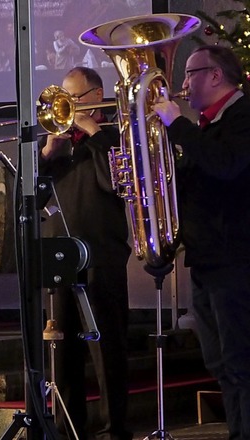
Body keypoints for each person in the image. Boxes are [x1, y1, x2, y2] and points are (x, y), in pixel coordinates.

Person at [152, 45, 250, 440]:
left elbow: (226, 166)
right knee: (221, 364)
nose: (183, 84)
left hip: (237, 261)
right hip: (208, 261)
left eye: (191, 73)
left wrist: (177, 125)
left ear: (216, 75)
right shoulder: (208, 125)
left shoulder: (243, 117)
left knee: (241, 362)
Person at [38, 67, 132, 440]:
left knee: (107, 349)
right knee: (62, 354)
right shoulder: (61, 146)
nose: (69, 106)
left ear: (96, 97)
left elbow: (116, 182)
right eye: (65, 99)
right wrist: (47, 153)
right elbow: (34, 199)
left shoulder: (114, 136)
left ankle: (114, 430)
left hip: (101, 255)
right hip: (60, 257)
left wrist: (93, 132)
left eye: (75, 99)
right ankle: (69, 428)